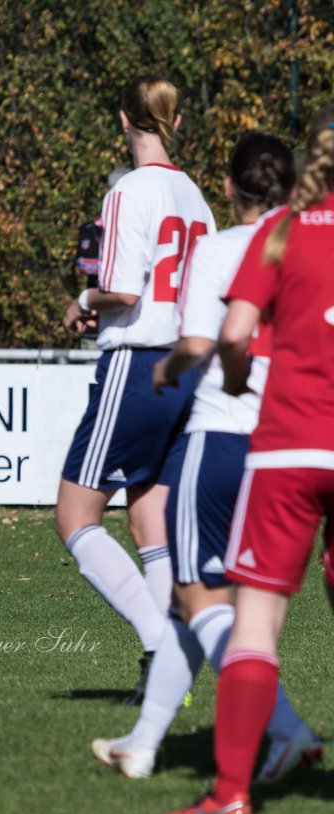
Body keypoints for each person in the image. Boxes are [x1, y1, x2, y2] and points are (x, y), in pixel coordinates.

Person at [92, 133, 319, 780]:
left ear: (228, 188)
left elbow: (200, 342)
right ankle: (142, 742)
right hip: (284, 439)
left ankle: (287, 727)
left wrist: (166, 373)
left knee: (198, 596)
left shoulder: (220, 250)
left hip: (221, 433)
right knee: (198, 601)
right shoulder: (306, 244)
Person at [165, 105, 334, 814]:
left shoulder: (282, 230)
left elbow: (234, 332)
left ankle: (230, 794)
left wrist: (236, 381)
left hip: (291, 446)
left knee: (257, 621)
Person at [58, 75, 215, 705]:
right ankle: (161, 674)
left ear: (124, 118)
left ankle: (161, 643)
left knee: (75, 516)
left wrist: (81, 302)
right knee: (149, 514)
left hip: (139, 361)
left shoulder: (129, 189)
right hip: (189, 364)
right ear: (173, 120)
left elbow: (122, 291)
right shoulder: (195, 195)